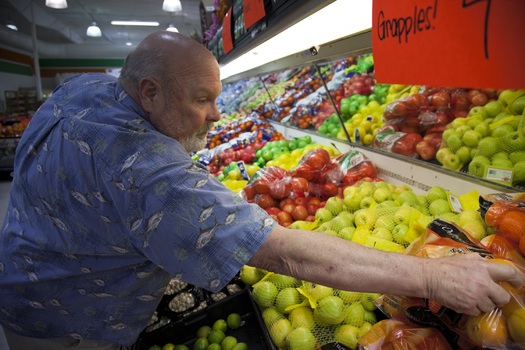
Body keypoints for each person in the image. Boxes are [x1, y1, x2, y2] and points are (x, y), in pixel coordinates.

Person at [0, 31, 523, 350]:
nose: (217, 115)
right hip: (68, 321)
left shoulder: (84, 89)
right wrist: (433, 274)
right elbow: (288, 254)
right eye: (202, 100)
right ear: (150, 91)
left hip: (25, 271)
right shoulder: (148, 171)